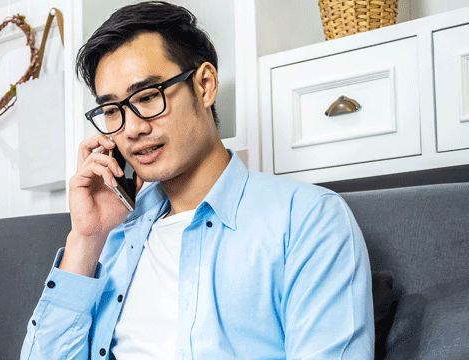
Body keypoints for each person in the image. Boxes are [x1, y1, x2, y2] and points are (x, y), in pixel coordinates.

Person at [20, 2, 374, 359]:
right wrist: (86, 240)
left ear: (205, 85)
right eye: (112, 111)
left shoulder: (308, 220)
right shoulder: (115, 233)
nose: (132, 129)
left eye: (147, 97)